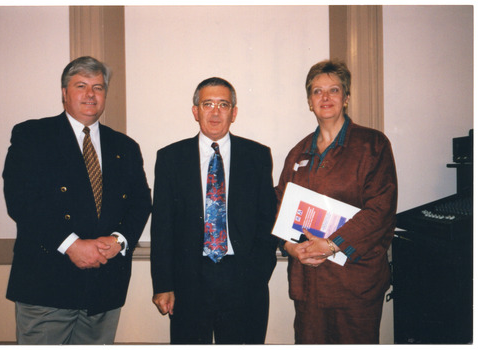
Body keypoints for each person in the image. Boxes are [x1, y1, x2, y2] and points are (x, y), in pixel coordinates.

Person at [3, 56, 152, 345]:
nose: (90, 94)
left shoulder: (125, 146)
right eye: (81, 85)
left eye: (98, 87)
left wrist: (120, 240)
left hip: (104, 287)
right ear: (64, 93)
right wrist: (71, 244)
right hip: (47, 285)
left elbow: (140, 202)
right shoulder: (32, 135)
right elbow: (21, 200)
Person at [275, 60, 397, 344]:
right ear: (309, 101)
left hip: (355, 284)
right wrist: (291, 247)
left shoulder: (373, 145)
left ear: (346, 98)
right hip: (309, 283)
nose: (325, 98)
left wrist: (331, 245)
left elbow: (380, 210)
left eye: (334, 90)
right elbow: (281, 208)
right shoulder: (297, 154)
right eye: (317, 91)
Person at [150, 77, 278, 344]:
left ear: (234, 112)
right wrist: (163, 285)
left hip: (243, 279)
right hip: (188, 281)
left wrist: (257, 274)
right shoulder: (171, 158)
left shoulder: (257, 156)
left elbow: (268, 220)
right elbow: (162, 227)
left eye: (224, 104)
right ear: (195, 111)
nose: (216, 112)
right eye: (208, 104)